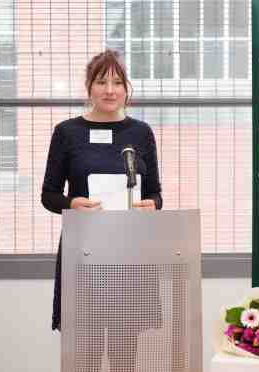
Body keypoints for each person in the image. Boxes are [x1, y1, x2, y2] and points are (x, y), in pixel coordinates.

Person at [41, 49, 163, 370]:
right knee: (87, 355)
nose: (110, 90)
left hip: (130, 257)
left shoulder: (141, 133)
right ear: (89, 87)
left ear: (126, 88)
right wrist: (72, 203)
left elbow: (156, 194)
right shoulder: (67, 133)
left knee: (125, 354)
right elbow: (49, 195)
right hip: (84, 255)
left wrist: (152, 206)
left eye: (117, 82)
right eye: (101, 81)